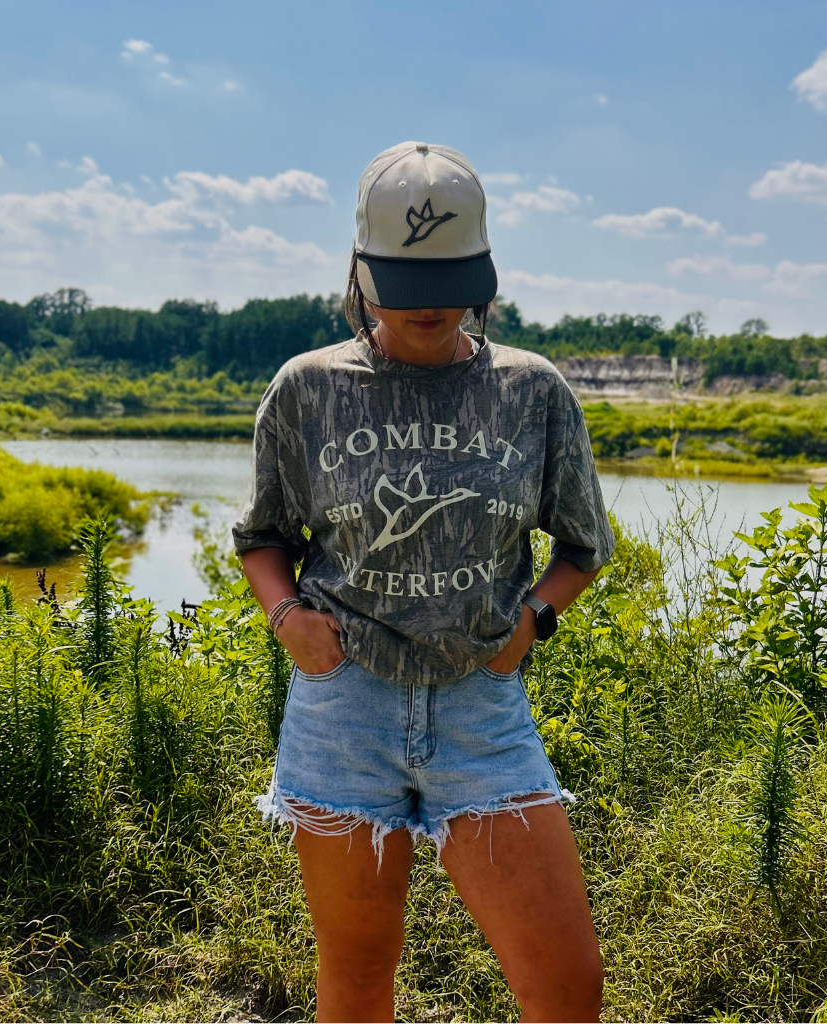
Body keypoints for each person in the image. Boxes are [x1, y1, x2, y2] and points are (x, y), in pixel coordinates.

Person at [234, 141, 615, 1023]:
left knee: (568, 989)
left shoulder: (531, 390)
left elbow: (583, 546)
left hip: (481, 709)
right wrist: (289, 619)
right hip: (344, 709)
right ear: (362, 272)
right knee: (358, 979)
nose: (431, 305)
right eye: (406, 284)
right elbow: (261, 536)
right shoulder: (307, 389)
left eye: (452, 281)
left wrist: (533, 622)